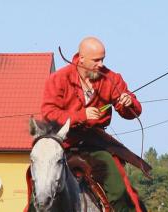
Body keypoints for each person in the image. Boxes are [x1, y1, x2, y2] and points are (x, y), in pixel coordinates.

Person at [41, 37, 146, 211]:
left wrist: (128, 103)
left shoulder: (111, 78)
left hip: (96, 145)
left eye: (103, 59)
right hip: (62, 144)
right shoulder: (58, 79)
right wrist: (81, 115)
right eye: (96, 60)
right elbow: (49, 115)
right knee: (38, 191)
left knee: (120, 191)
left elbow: (133, 112)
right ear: (81, 58)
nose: (101, 64)